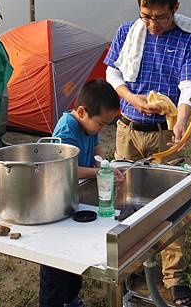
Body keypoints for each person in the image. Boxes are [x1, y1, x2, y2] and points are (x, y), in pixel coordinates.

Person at [104, 0, 191, 306]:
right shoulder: (127, 31)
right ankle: (129, 267)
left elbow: (189, 84)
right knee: (125, 204)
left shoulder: (189, 39)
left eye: (160, 17)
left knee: (170, 206)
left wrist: (183, 117)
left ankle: (173, 278)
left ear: (174, 8)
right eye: (145, 15)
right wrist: (130, 99)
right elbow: (112, 71)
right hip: (127, 131)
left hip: (163, 136)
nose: (152, 24)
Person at [39, 79, 122, 307]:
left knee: (75, 257)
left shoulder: (89, 125)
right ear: (83, 112)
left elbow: (96, 150)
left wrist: (106, 166)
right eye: (101, 124)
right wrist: (98, 173)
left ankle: (71, 298)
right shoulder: (68, 128)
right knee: (55, 263)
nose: (101, 129)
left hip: (75, 200)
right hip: (57, 203)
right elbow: (66, 168)